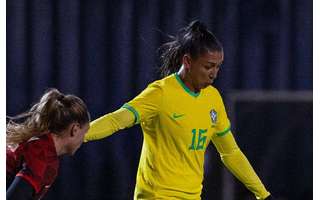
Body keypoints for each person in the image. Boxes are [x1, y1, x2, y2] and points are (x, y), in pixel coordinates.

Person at [84, 20, 274, 200]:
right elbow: (117, 120)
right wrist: (79, 135)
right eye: (208, 66)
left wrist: (263, 194)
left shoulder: (213, 98)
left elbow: (230, 152)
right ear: (188, 61)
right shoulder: (160, 93)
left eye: (218, 67)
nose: (214, 73)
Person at [6, 88, 90, 200]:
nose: (84, 139)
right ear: (75, 129)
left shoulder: (40, 143)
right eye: (85, 132)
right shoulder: (44, 157)